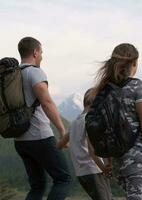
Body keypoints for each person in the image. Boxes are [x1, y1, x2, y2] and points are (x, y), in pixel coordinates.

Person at [93, 43, 142, 200]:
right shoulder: (138, 87)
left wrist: (109, 160)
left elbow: (102, 127)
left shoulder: (104, 90)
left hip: (118, 162)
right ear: (134, 63)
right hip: (137, 159)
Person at [14, 37, 72, 200]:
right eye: (41, 52)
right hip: (39, 136)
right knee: (63, 179)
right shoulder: (35, 72)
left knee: (37, 186)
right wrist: (62, 130)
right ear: (35, 52)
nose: (41, 56)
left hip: (20, 140)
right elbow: (46, 102)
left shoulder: (12, 76)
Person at [57, 89, 113, 200]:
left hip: (81, 173)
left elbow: (59, 145)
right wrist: (104, 168)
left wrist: (74, 145)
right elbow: (92, 150)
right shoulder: (90, 121)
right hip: (94, 170)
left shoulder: (74, 123)